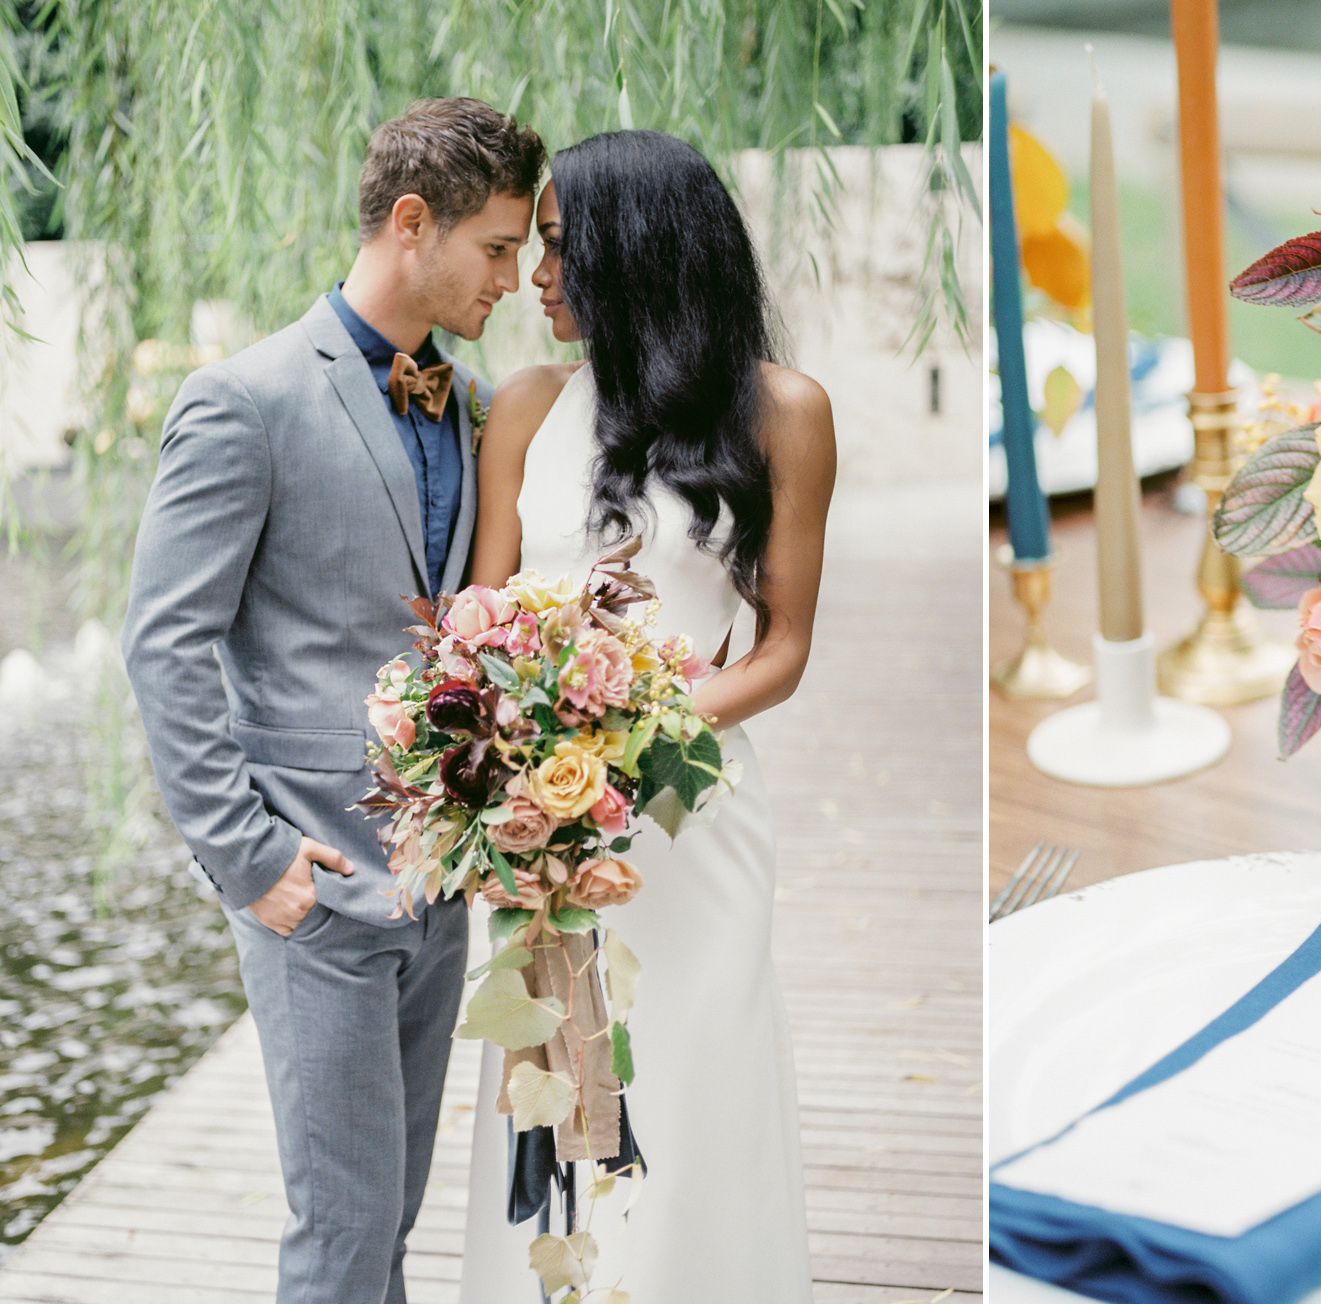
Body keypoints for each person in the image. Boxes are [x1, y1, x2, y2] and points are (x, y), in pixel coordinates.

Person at [120, 97, 545, 1304]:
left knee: (388, 1219)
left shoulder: (465, 401)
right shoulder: (241, 399)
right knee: (343, 1228)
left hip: (432, 887)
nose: (515, 278)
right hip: (310, 883)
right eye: (500, 246)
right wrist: (250, 859)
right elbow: (164, 643)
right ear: (414, 223)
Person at [457, 128, 834, 1301]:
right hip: (544, 820)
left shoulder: (783, 411)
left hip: (687, 807)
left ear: (639, 251)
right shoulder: (523, 406)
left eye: (561, 248)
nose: (535, 275)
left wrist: (630, 726)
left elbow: (780, 650)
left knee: (692, 1074)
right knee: (551, 1089)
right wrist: (500, 758)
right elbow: (476, 618)